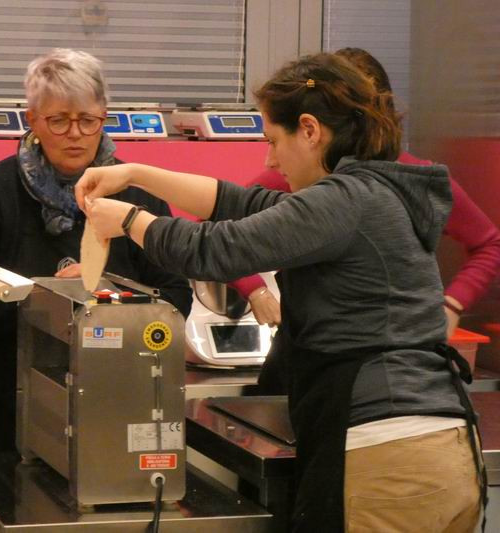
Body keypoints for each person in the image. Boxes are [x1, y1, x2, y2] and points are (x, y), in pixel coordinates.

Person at [77, 53, 482, 532]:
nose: (269, 159)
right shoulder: (370, 192)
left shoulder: (345, 201)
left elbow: (217, 249)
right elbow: (238, 202)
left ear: (309, 130)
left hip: (391, 456)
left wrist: (129, 220)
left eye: (273, 141)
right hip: (434, 448)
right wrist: (134, 175)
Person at [0, 48, 192, 456]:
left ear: (104, 117)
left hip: (114, 393)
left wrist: (110, 293)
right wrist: (45, 299)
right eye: (58, 120)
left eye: (87, 120)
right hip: (5, 400)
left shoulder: (138, 196)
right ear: (33, 120)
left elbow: (176, 297)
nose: (75, 134)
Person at [232, 47, 500, 394]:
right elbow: (217, 229)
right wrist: (254, 290)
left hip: (395, 364)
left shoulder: (420, 180)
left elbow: (489, 244)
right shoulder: (294, 174)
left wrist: (452, 304)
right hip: (306, 353)